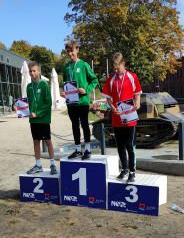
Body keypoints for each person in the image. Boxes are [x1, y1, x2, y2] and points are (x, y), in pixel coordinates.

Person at [102, 52, 142, 183]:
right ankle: (124, 169)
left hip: (130, 117)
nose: (115, 70)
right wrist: (112, 107)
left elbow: (137, 93)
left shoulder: (132, 77)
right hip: (117, 118)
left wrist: (137, 102)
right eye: (113, 68)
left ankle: (132, 172)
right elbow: (108, 97)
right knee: (120, 146)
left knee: (130, 145)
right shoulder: (111, 78)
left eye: (117, 68)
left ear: (123, 64)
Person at [61, 41, 98, 160]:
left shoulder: (84, 65)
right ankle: (77, 150)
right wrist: (64, 93)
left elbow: (94, 80)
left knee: (84, 124)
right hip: (71, 102)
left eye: (72, 51)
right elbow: (66, 83)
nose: (70, 53)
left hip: (83, 101)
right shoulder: (66, 67)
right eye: (68, 51)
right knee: (74, 126)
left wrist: (86, 90)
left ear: (77, 50)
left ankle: (87, 149)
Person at [26, 61, 57, 175]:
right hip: (33, 120)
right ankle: (38, 165)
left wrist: (37, 113)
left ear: (38, 71)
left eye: (34, 71)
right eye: (30, 71)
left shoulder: (44, 85)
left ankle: (53, 164)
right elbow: (28, 103)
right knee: (35, 141)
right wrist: (20, 108)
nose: (32, 73)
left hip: (43, 119)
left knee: (48, 141)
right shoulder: (29, 86)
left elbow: (48, 103)